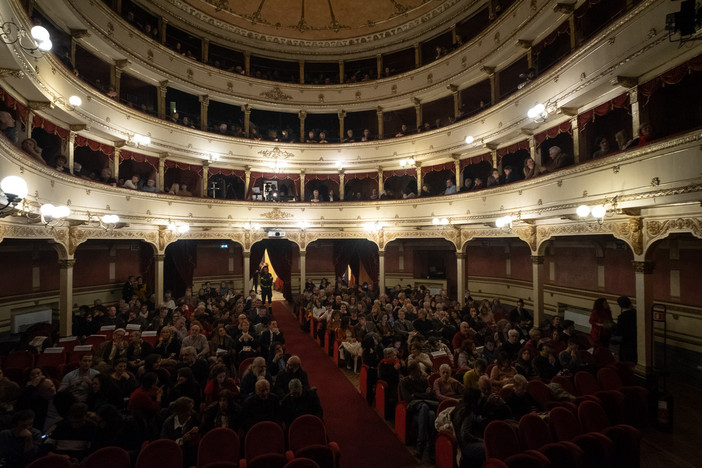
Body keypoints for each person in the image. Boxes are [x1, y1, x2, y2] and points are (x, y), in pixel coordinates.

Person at [400, 363, 437, 461]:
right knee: (426, 409)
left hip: (424, 410)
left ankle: (420, 446)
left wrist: (415, 395)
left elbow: (431, 395)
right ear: (412, 373)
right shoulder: (404, 382)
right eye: (418, 371)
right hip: (413, 410)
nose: (420, 373)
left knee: (431, 414)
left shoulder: (423, 380)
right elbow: (407, 398)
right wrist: (424, 395)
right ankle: (430, 449)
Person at [616, 295, 637, 362]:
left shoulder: (621, 317)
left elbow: (619, 331)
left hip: (626, 341)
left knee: (626, 359)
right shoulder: (635, 313)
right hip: (635, 339)